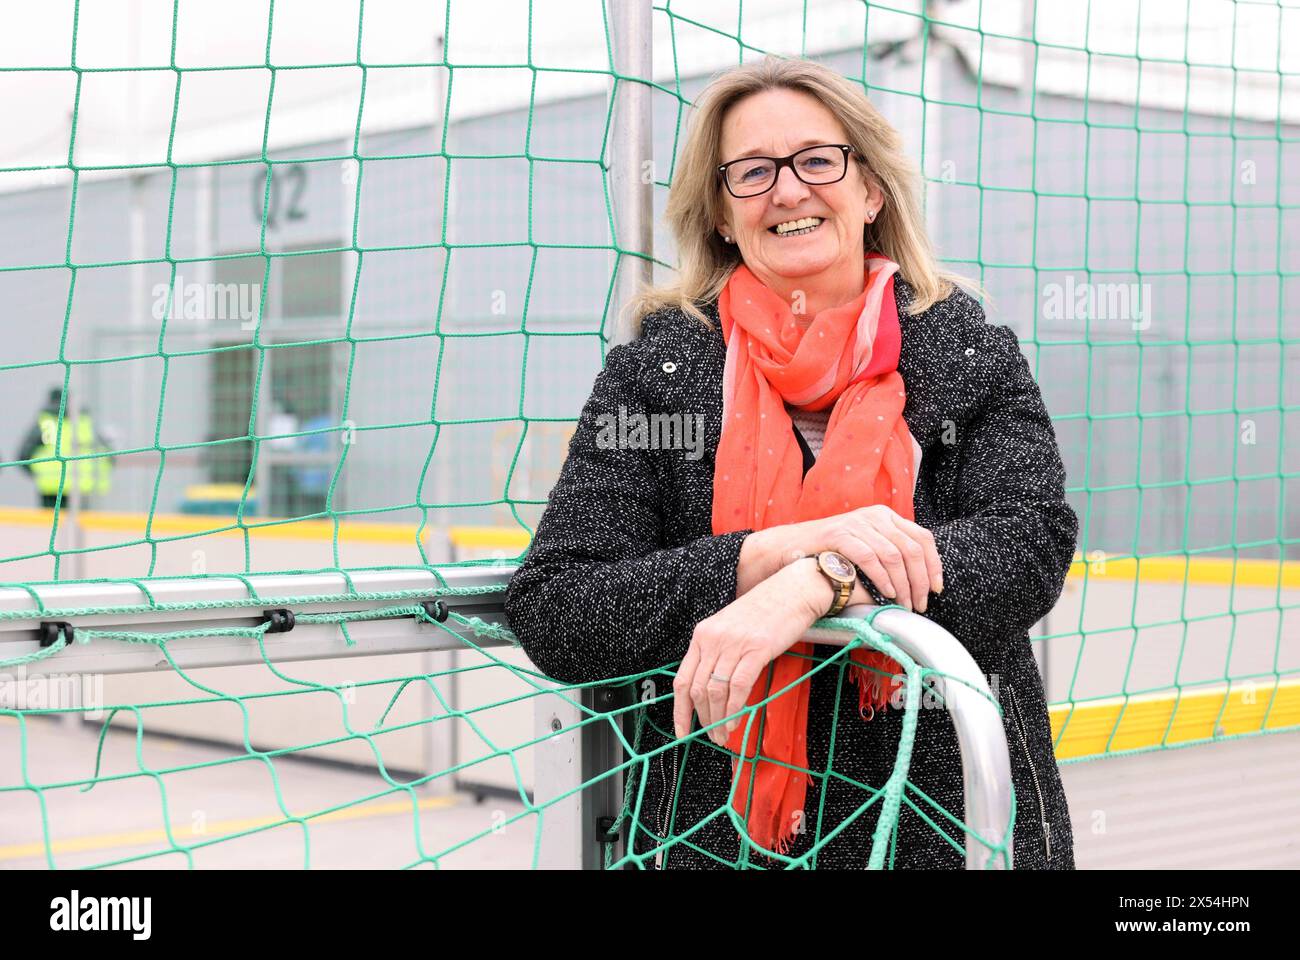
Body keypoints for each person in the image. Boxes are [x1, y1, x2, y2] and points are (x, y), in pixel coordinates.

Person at [503, 55, 1078, 870]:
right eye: (752, 172)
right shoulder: (656, 377)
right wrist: (756, 559)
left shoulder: (969, 356)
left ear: (870, 190)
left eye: (817, 159)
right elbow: (560, 604)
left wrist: (822, 581)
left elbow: (1029, 547)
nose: (789, 189)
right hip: (722, 837)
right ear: (719, 215)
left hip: (948, 823)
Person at [18, 387, 114, 509]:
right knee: (81, 524)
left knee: (52, 523)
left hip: (51, 486)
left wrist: (37, 474)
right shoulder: (85, 422)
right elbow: (108, 453)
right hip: (84, 485)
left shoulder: (46, 423)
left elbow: (24, 455)